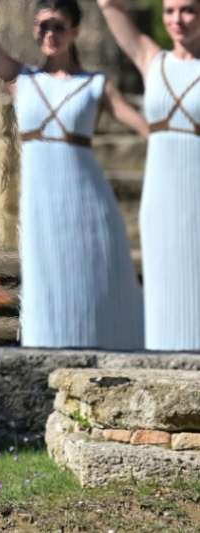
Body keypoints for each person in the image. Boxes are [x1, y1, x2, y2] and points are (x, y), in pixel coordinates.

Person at [0, 0, 147, 349]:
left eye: (58, 26)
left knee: (97, 279)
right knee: (45, 281)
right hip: (41, 203)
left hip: (89, 201)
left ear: (75, 31)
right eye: (42, 26)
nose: (50, 34)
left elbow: (147, 128)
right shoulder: (21, 79)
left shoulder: (95, 84)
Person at [98, 0, 200, 350]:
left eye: (188, 10)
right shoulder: (151, 60)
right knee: (164, 291)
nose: (178, 20)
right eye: (170, 11)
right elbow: (108, 5)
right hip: (161, 197)